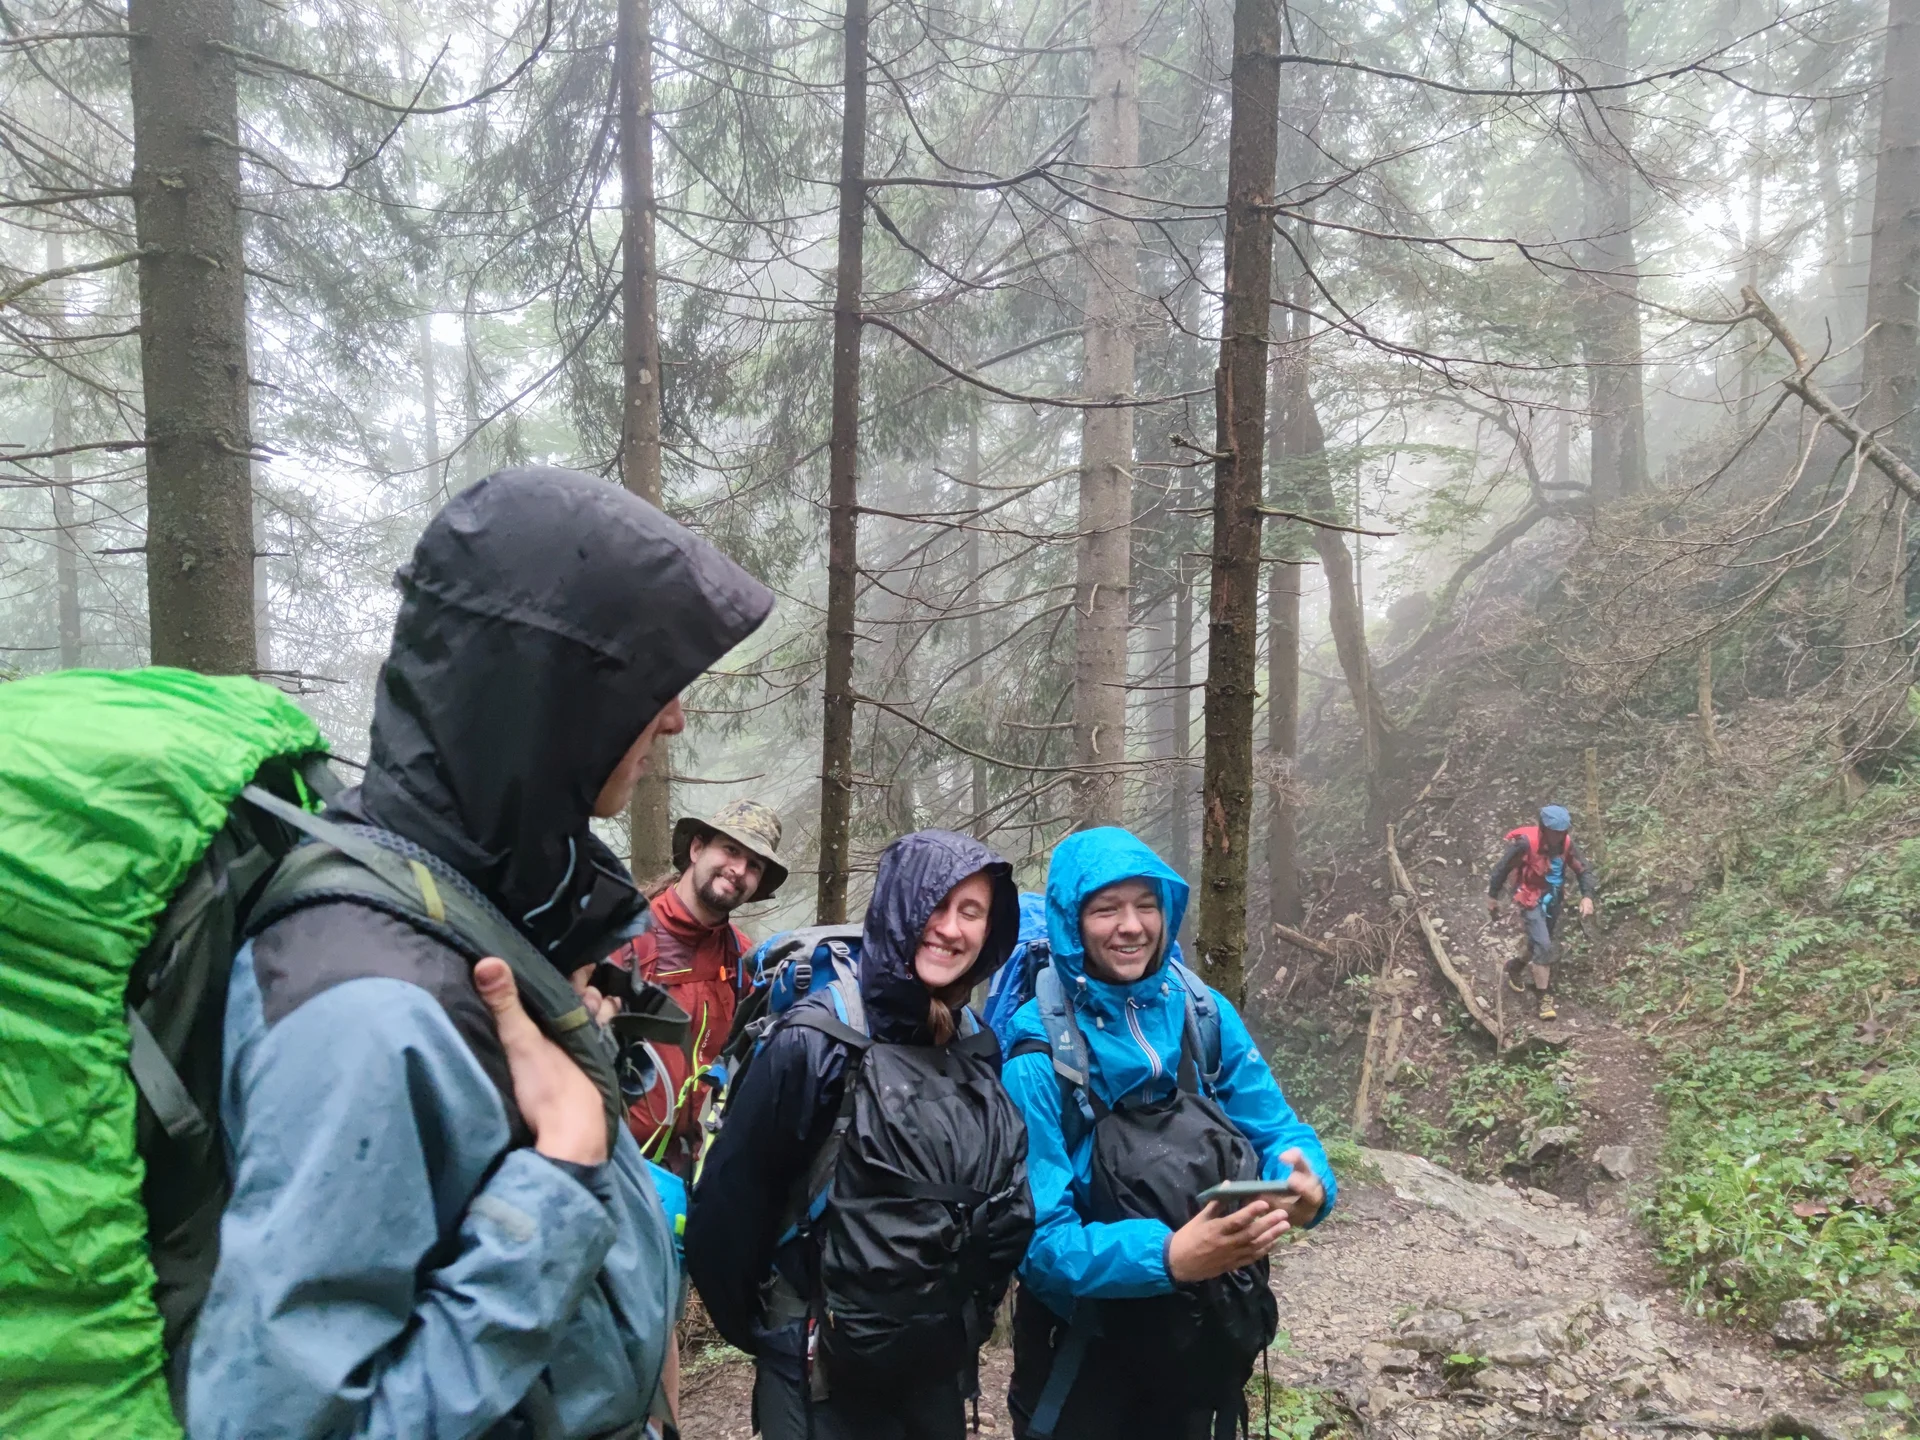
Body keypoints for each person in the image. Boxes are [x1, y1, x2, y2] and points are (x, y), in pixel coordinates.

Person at [187, 465, 774, 1439]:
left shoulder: (479, 918)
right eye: (653, 685)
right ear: (555, 690)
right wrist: (560, 1178)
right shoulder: (365, 1006)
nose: (674, 718)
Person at [686, 830, 1034, 1440]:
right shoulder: (815, 1039)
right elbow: (728, 1209)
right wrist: (770, 1332)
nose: (950, 929)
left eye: (971, 912)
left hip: (933, 1362)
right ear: (900, 906)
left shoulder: (975, 1043)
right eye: (936, 904)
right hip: (813, 1364)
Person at [1001, 827, 1336, 1440]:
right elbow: (1038, 1240)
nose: (1131, 925)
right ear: (1073, 922)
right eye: (1106, 909)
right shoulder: (1034, 1053)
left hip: (1204, 1335)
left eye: (1146, 905)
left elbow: (1277, 1127)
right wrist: (1168, 1257)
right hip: (1083, 1355)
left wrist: (1310, 1182)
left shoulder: (1201, 1011)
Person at [607, 799, 789, 1175]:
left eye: (754, 864)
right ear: (696, 849)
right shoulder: (629, 937)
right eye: (731, 849)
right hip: (617, 1162)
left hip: (694, 1167)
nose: (738, 869)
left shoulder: (743, 959)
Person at [1487, 803, 1596, 1023]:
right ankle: (1544, 998)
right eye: (1553, 832)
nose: (1557, 837)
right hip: (1529, 896)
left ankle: (1514, 967)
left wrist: (1587, 896)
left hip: (1553, 897)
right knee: (1544, 945)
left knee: (1537, 942)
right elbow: (1502, 867)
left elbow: (1583, 869)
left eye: (1561, 832)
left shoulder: (1566, 844)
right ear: (1543, 829)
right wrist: (1492, 896)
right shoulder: (1526, 844)